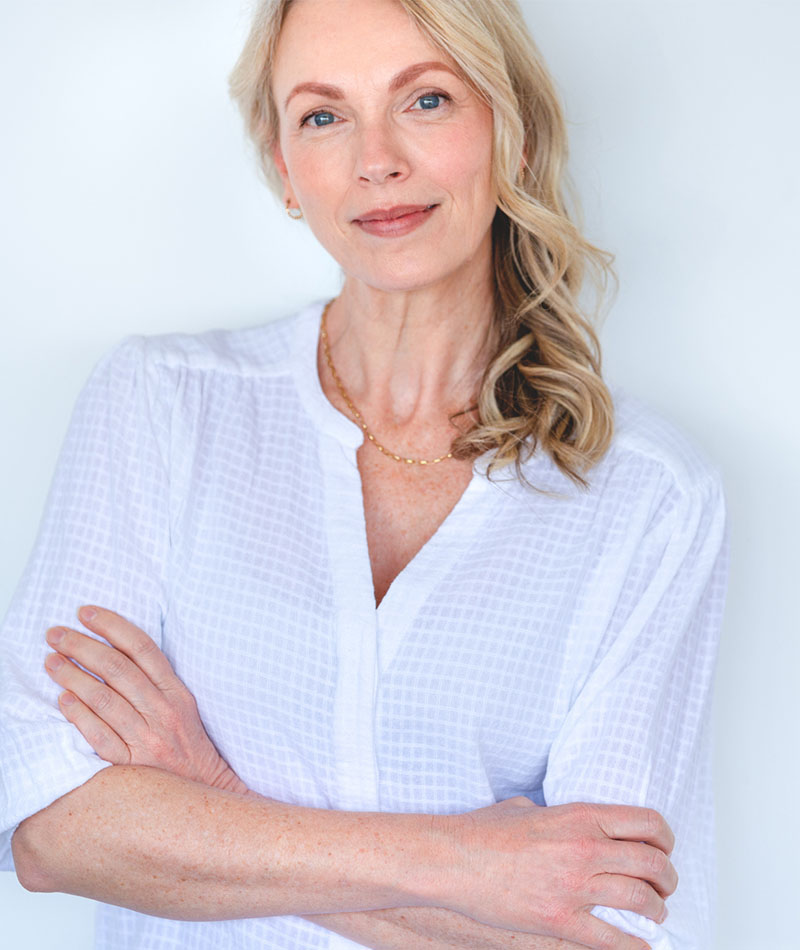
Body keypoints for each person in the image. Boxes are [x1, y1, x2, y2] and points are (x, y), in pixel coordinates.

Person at [0, 1, 727, 949]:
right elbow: (50, 825)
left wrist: (208, 801)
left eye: (425, 100)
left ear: (511, 132)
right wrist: (465, 866)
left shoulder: (648, 497)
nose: (375, 158)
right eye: (323, 115)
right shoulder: (160, 405)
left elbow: (604, 931)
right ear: (283, 170)